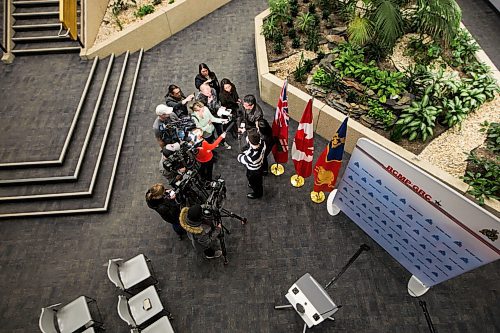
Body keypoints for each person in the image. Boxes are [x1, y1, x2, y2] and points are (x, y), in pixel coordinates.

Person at [195, 83, 231, 149]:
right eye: (207, 92)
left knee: (219, 128)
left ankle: (223, 141)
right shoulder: (199, 99)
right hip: (206, 116)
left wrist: (220, 107)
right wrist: (208, 103)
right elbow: (204, 110)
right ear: (202, 92)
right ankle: (213, 140)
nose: (210, 93)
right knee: (210, 129)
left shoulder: (213, 91)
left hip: (214, 113)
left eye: (210, 90)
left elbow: (215, 103)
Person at [237, 128, 266, 199]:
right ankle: (253, 184)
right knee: (257, 179)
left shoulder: (252, 156)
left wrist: (241, 140)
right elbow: (251, 139)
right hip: (259, 166)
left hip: (254, 170)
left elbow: (239, 158)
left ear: (249, 142)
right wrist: (245, 132)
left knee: (255, 183)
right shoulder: (262, 143)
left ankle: (258, 194)